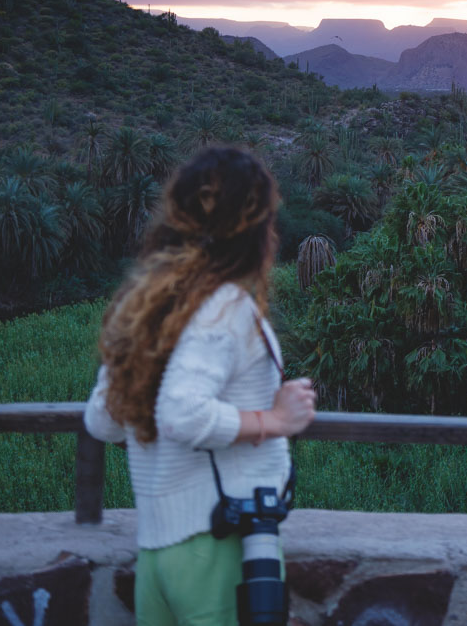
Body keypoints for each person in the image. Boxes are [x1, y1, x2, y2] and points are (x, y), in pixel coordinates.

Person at [85, 146, 318, 626]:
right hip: (223, 544)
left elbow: (101, 421)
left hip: (158, 554)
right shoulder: (224, 307)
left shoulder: (145, 304)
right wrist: (273, 420)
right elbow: (182, 414)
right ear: (254, 227)